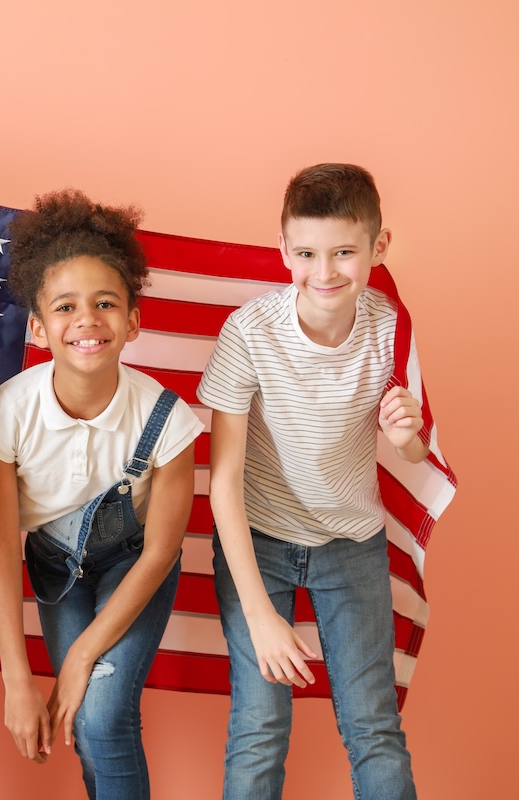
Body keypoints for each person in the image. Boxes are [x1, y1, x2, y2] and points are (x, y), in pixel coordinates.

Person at [199, 163, 429, 800]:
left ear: (378, 249)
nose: (324, 272)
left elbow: (411, 454)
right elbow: (223, 480)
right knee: (259, 724)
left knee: (372, 726)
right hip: (259, 541)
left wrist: (407, 434)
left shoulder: (390, 328)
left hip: (351, 544)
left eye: (344, 253)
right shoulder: (249, 331)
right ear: (284, 250)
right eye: (306, 253)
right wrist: (260, 615)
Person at [0, 189, 203, 800]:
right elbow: (0, 543)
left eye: (106, 303)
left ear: (132, 321)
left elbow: (160, 552)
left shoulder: (169, 420)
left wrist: (77, 658)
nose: (87, 320)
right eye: (65, 306)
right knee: (84, 720)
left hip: (136, 566)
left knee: (101, 714)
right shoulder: (6, 415)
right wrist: (19, 677)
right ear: (37, 325)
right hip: (56, 568)